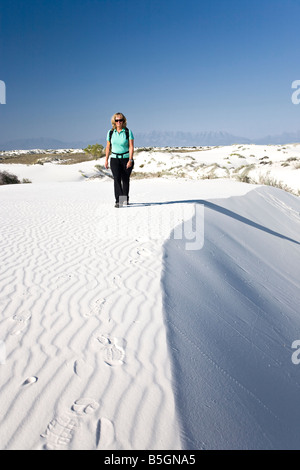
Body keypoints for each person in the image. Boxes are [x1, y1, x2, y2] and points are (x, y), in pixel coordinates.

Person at [105, 112, 134, 207]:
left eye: (120, 120)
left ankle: (125, 199)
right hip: (114, 159)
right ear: (114, 121)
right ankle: (118, 200)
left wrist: (130, 159)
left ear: (123, 121)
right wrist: (106, 159)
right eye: (116, 120)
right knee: (116, 179)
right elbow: (108, 147)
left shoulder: (127, 132)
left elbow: (131, 146)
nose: (118, 122)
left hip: (126, 159)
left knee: (125, 180)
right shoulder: (110, 132)